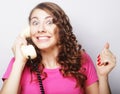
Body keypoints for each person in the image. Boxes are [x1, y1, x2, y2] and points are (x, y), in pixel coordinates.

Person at [0, 2, 116, 94]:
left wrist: (103, 76)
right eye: (35, 23)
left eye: (49, 22)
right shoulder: (19, 63)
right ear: (29, 31)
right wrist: (19, 62)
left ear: (61, 29)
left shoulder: (81, 59)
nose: (41, 29)